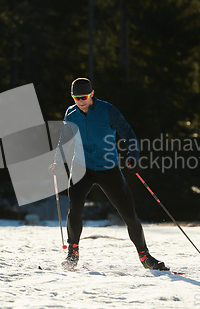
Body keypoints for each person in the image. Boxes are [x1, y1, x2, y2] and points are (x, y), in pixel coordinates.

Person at [49, 77, 168, 271]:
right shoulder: (71, 114)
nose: (80, 101)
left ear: (92, 94)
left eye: (84, 96)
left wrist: (133, 156)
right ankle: (73, 253)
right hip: (81, 168)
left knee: (129, 215)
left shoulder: (107, 111)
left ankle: (145, 256)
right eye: (76, 97)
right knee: (75, 209)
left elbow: (128, 134)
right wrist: (57, 160)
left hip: (108, 168)